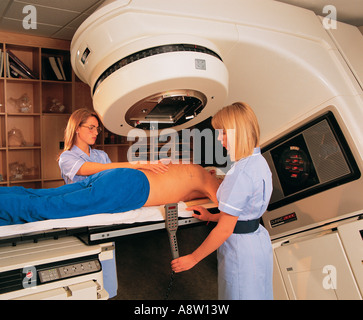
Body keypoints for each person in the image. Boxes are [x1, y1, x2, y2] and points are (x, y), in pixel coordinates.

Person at [171, 102, 273, 300]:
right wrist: (211, 215)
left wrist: (193, 258)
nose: (219, 138)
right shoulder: (258, 161)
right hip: (258, 241)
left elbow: (226, 229)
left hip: (241, 250)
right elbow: (242, 215)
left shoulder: (240, 173)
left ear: (239, 131)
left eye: (223, 133)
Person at [0, 163, 219, 226]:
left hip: (119, 176)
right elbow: (229, 212)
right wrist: (211, 216)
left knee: (45, 195)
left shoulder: (194, 168)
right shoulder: (211, 179)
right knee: (52, 208)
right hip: (131, 189)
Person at [58, 108, 168, 184]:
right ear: (77, 128)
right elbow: (92, 169)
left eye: (97, 129)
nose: (96, 133)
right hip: (80, 204)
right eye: (91, 128)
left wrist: (146, 168)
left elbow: (113, 178)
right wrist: (138, 163)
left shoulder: (101, 155)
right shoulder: (66, 157)